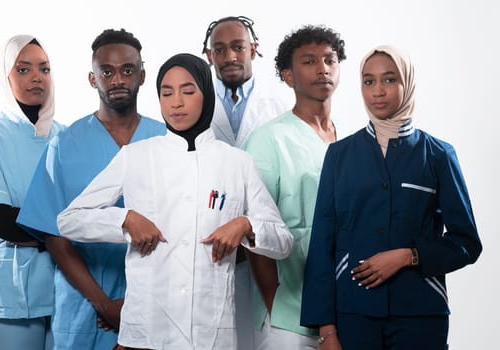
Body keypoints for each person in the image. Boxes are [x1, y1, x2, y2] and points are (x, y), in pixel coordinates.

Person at [56, 53, 294, 350]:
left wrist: (246, 225)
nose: (176, 102)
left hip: (210, 332)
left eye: (187, 91)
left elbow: (283, 242)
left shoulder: (236, 163)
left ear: (205, 95)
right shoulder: (137, 156)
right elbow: (69, 220)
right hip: (147, 330)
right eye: (166, 93)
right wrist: (125, 219)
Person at [300, 45, 482, 349]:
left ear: (407, 84)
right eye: (368, 82)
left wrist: (408, 256)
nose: (378, 91)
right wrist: (327, 330)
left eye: (389, 80)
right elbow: (322, 243)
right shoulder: (339, 155)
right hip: (353, 312)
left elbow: (466, 243)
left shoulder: (438, 155)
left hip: (420, 314)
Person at [16, 29, 166, 349]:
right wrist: (104, 305)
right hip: (83, 309)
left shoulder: (168, 141)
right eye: (106, 72)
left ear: (141, 75)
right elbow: (55, 235)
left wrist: (137, 306)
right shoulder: (65, 145)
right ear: (92, 78)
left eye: (127, 70)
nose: (117, 80)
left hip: (158, 307)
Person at [244, 25, 347, 350]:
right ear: (288, 76)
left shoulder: (349, 143)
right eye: (309, 61)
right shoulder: (268, 140)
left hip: (344, 310)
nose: (322, 69)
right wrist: (275, 302)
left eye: (330, 60)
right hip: (289, 316)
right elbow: (255, 230)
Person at [0, 34, 66, 350]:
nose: (37, 77)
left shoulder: (69, 138)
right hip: (6, 300)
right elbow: (1, 218)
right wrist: (72, 226)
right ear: (5, 76)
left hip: (65, 295)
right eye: (23, 69)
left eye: (44, 69)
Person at [202, 16, 291, 348]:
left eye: (237, 47)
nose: (229, 57)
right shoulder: (195, 105)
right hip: (216, 244)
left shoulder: (281, 107)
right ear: (208, 55)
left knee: (271, 333)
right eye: (219, 49)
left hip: (269, 241)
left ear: (253, 49)